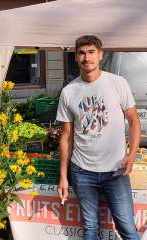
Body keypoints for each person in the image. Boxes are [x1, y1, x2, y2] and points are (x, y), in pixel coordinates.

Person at [56, 35, 141, 240]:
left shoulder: (118, 83)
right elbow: (66, 137)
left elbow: (134, 121)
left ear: (100, 55)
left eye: (91, 52)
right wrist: (63, 176)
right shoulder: (68, 92)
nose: (87, 58)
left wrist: (132, 154)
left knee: (128, 228)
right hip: (82, 171)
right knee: (90, 228)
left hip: (115, 170)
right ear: (76, 57)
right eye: (82, 53)